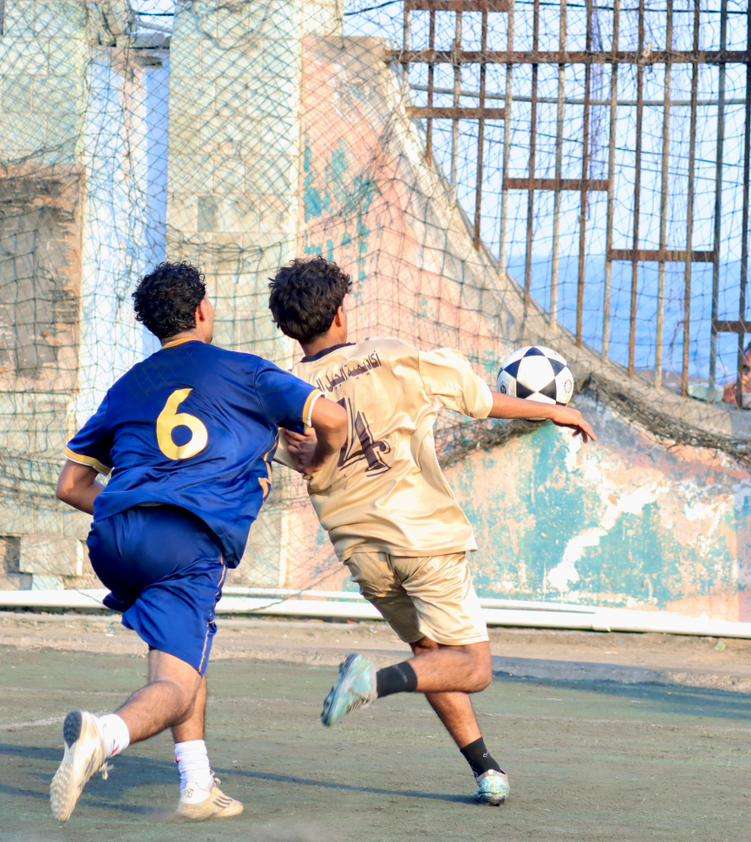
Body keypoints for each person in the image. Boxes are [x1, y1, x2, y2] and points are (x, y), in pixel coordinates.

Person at [266, 257, 596, 806]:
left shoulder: (284, 393)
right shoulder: (393, 356)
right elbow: (480, 401)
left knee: (430, 652)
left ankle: (485, 770)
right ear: (341, 312)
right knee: (474, 668)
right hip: (423, 538)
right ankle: (373, 683)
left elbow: (295, 458)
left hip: (361, 551)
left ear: (287, 327)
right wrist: (551, 413)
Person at [51, 262, 348, 822]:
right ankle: (104, 735)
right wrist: (319, 459)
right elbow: (332, 419)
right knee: (176, 686)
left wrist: (132, 505)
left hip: (112, 538)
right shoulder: (247, 372)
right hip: (185, 541)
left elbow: (71, 486)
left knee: (182, 649)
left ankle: (196, 786)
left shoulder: (126, 386)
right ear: (203, 311)